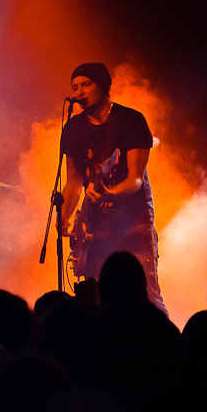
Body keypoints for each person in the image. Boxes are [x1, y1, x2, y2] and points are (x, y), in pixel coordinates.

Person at [60, 62, 166, 314]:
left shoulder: (131, 120)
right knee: (95, 296)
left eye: (86, 84)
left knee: (147, 294)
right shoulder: (73, 128)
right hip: (94, 224)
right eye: (75, 86)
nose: (79, 91)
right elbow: (73, 181)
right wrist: (63, 216)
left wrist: (109, 193)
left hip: (134, 220)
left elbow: (135, 180)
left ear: (103, 86)